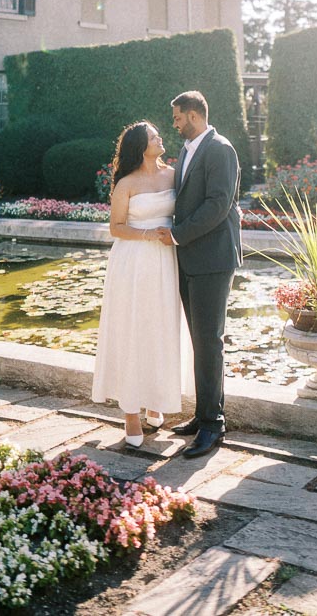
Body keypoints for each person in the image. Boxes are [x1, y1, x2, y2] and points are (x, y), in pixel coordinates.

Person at [157, 89, 241, 460]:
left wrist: (176, 234)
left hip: (213, 259)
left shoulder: (220, 148)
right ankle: (205, 413)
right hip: (191, 259)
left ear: (192, 115)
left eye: (177, 117)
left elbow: (218, 205)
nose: (174, 124)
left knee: (209, 341)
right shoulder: (191, 151)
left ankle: (212, 426)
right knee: (201, 341)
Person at [91, 121, 184, 447]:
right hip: (133, 262)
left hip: (166, 262)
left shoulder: (173, 174)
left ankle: (156, 400)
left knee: (161, 329)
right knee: (132, 330)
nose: (161, 139)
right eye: (154, 137)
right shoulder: (126, 183)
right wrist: (147, 235)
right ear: (140, 147)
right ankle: (130, 412)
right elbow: (116, 227)